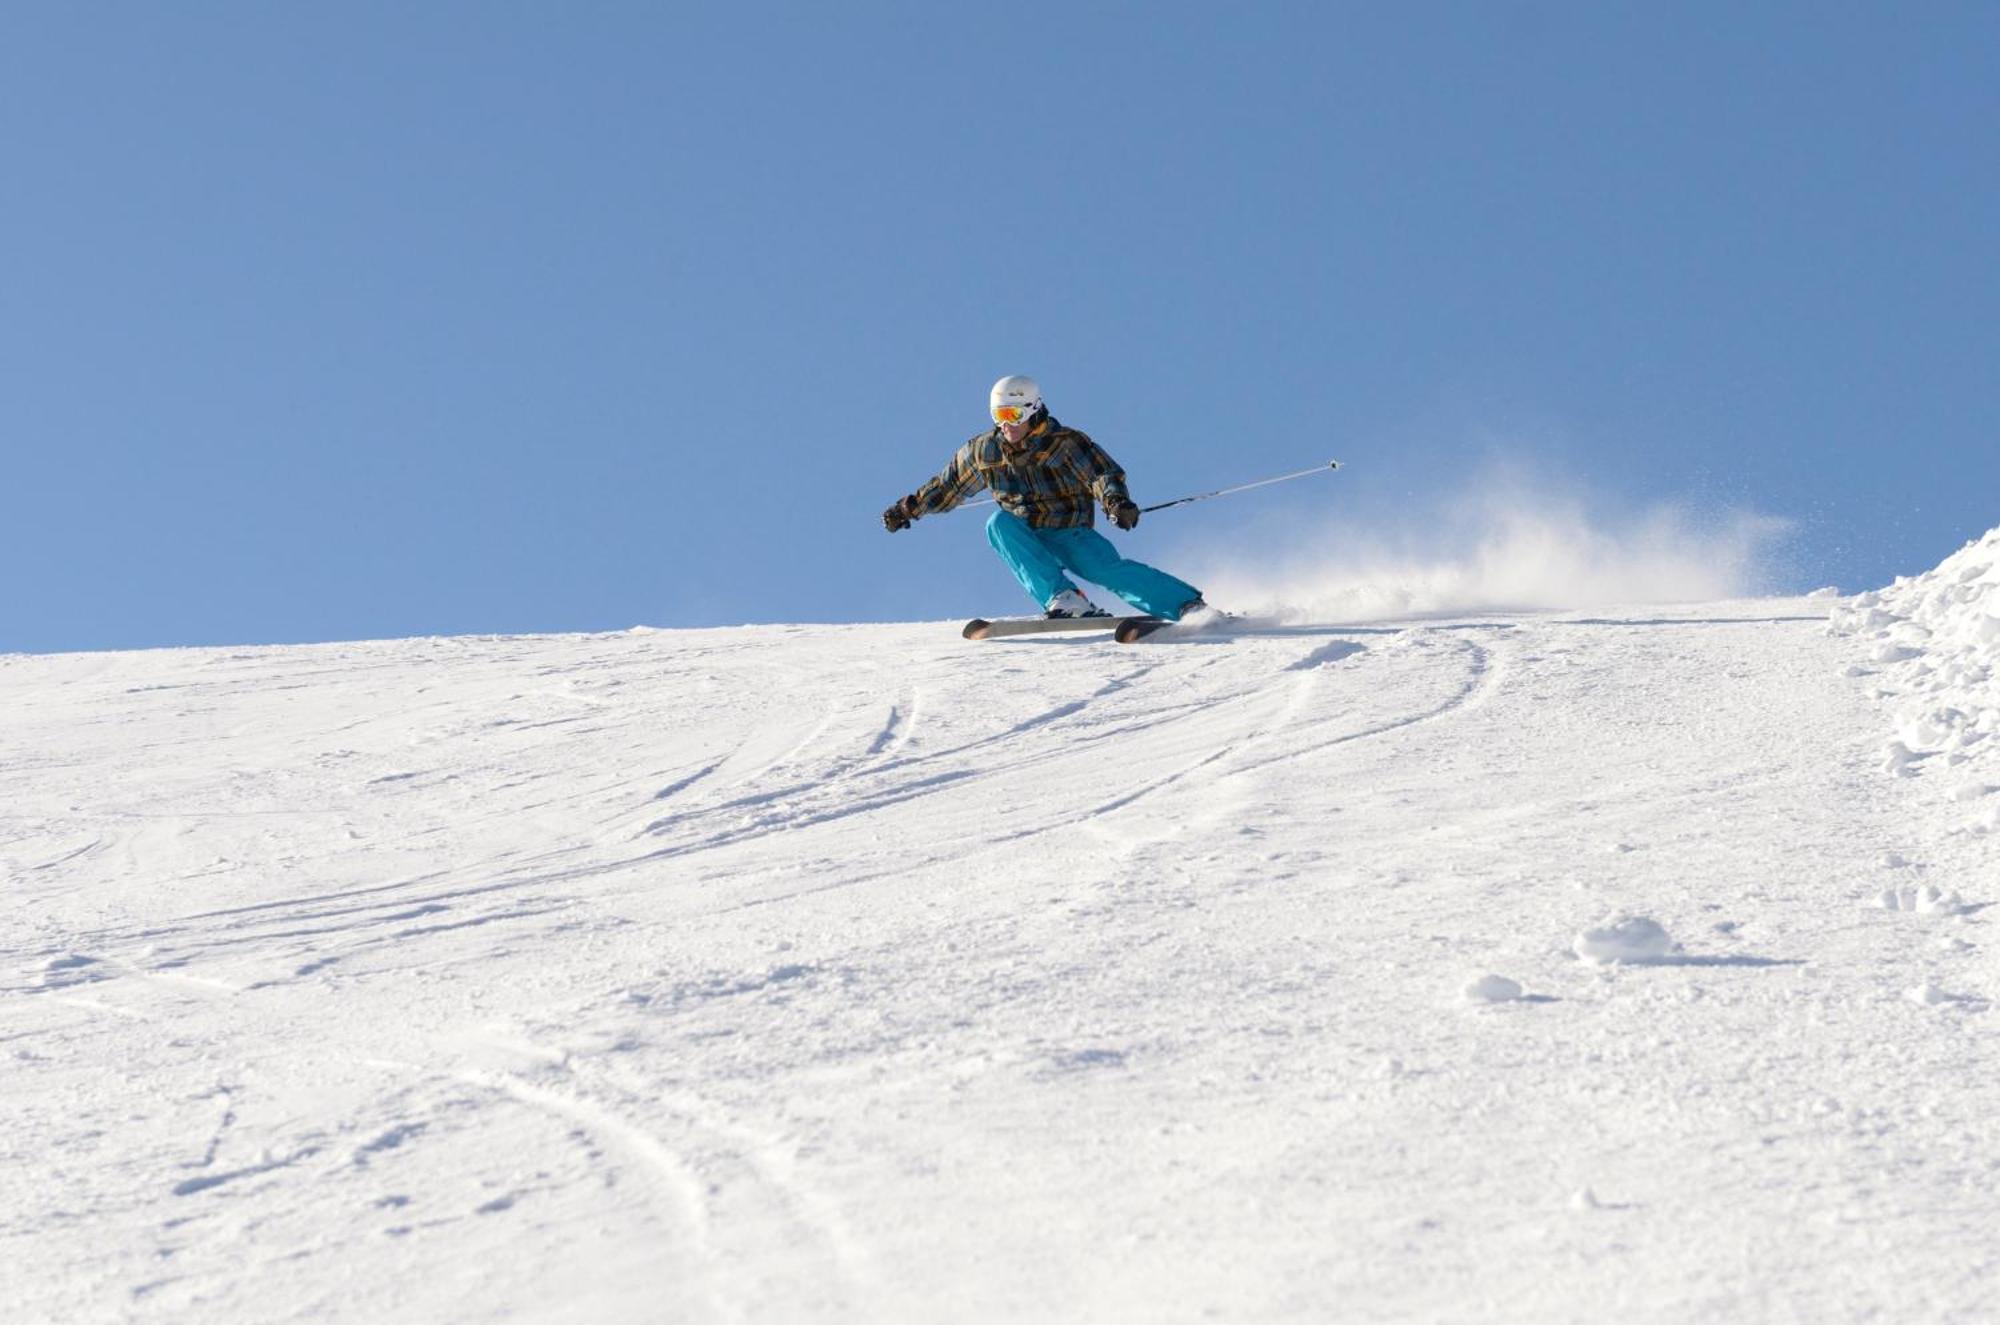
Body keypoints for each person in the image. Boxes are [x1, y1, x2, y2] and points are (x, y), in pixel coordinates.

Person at [882, 375, 1207, 620]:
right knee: (998, 523)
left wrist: (1116, 503)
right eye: (998, 416)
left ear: (1032, 409)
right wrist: (908, 509)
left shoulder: (1064, 442)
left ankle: (1186, 605)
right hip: (1025, 532)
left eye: (1012, 415)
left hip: (1069, 529)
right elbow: (947, 487)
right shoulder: (984, 451)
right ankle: (1065, 598)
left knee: (1105, 570)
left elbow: (1101, 474)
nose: (1004, 425)